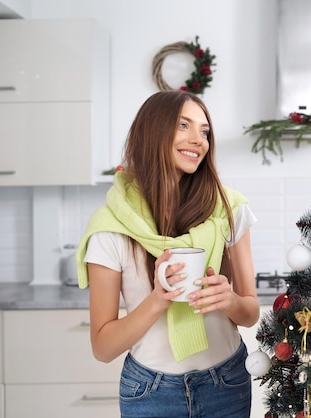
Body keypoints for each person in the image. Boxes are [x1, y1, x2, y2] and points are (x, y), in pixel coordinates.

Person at [75, 90, 259, 418]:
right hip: (150, 391)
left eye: (204, 131)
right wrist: (158, 299)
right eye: (183, 126)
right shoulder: (111, 227)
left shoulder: (229, 210)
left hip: (227, 383)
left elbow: (250, 312)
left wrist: (229, 300)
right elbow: (103, 348)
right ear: (153, 132)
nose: (198, 139)